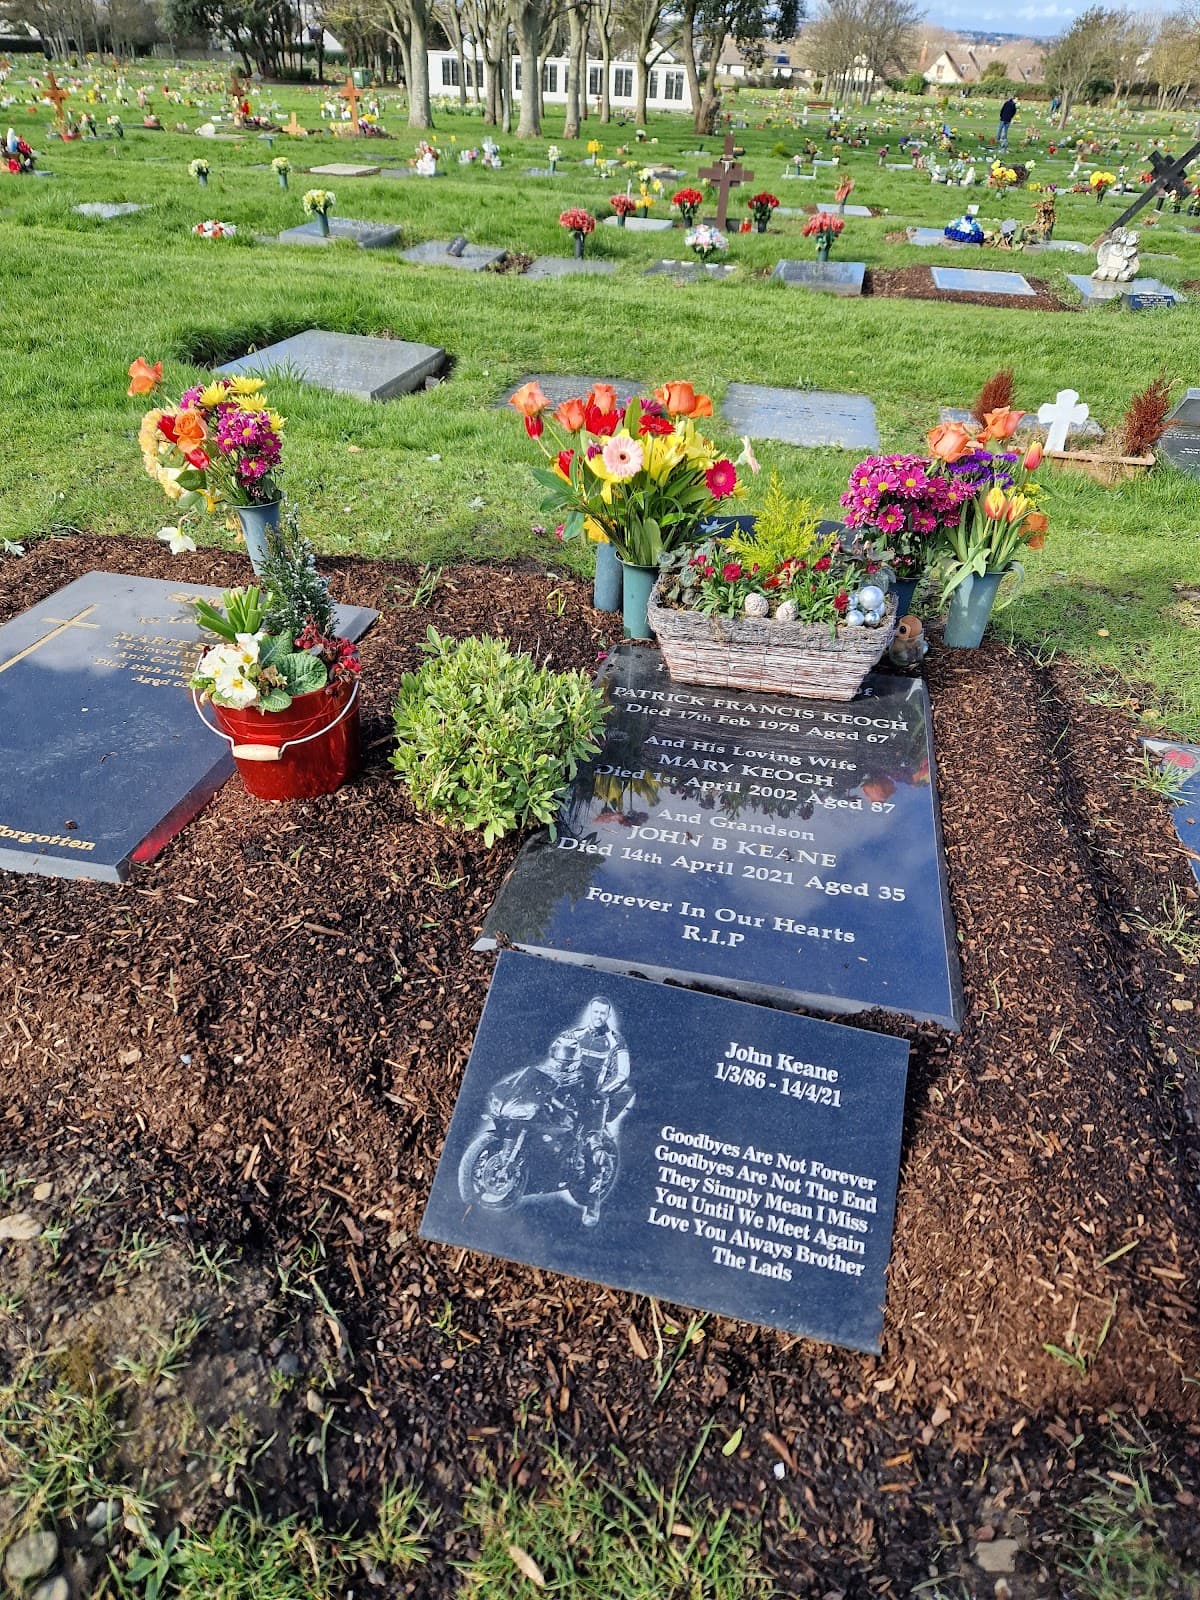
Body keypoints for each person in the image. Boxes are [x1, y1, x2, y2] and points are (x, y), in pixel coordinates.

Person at [553, 996, 635, 1224]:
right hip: (568, 1094)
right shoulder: (574, 1034)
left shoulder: (615, 1041)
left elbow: (622, 1074)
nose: (598, 1017)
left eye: (603, 1013)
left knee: (593, 1146)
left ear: (608, 1015)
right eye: (595, 1012)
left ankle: (592, 1203)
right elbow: (554, 1054)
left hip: (595, 1100)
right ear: (590, 1012)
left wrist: (601, 1093)